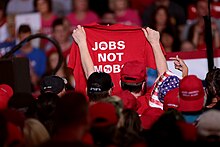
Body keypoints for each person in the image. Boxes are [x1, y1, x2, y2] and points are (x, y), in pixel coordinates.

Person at [14, 24, 47, 92]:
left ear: (31, 37)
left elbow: (39, 79)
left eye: (27, 37)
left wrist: (28, 66)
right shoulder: (14, 54)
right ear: (18, 36)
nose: (25, 40)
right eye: (22, 37)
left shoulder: (40, 54)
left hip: (36, 89)